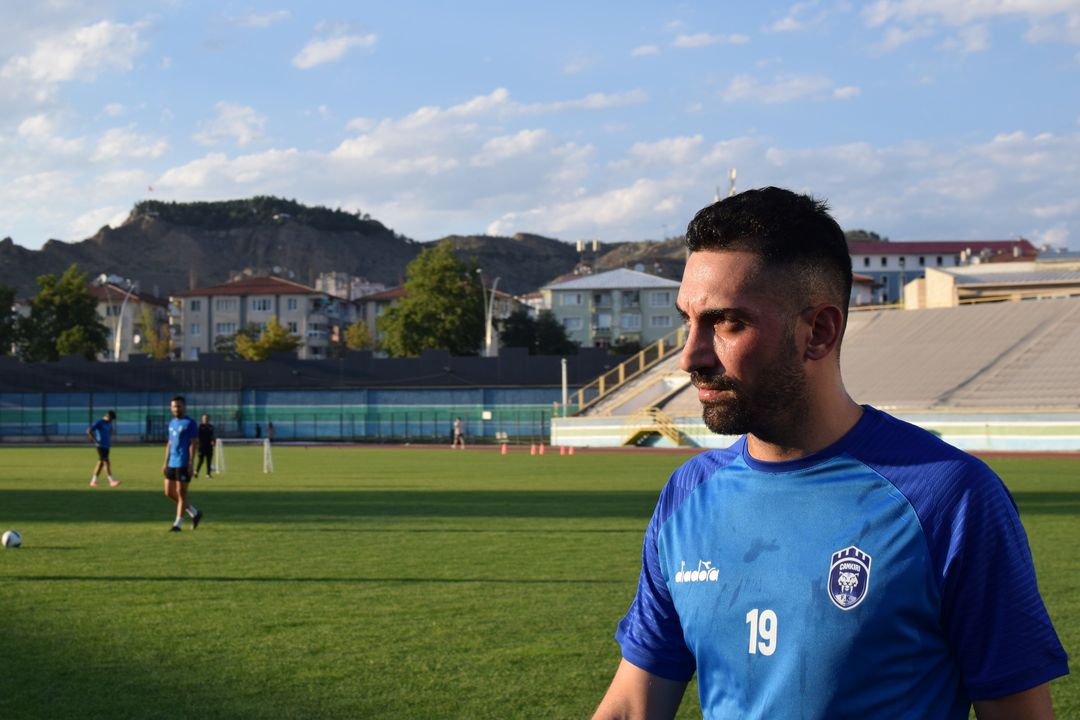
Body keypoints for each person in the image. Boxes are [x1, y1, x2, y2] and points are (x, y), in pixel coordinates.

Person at [593, 187, 1068, 720]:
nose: (690, 356)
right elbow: (633, 706)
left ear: (819, 331)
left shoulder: (950, 497)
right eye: (689, 321)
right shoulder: (687, 495)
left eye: (728, 323)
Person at [163, 396, 204, 532]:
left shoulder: (190, 423)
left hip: (183, 462)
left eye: (179, 406)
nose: (176, 409)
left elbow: (193, 443)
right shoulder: (171, 423)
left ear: (184, 407)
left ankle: (177, 524)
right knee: (168, 492)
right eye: (174, 406)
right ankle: (194, 513)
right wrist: (165, 461)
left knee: (182, 493)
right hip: (172, 462)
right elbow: (169, 443)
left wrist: (191, 463)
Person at [86, 410, 120, 487]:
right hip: (100, 446)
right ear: (108, 416)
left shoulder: (109, 423)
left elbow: (110, 430)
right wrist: (95, 441)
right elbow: (89, 431)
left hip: (106, 445)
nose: (112, 421)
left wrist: (108, 438)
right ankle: (111, 481)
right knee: (106, 462)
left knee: (100, 464)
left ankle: (93, 481)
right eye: (111, 419)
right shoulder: (99, 422)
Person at [194, 414, 215, 479]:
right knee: (201, 460)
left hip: (209, 446)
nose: (205, 419)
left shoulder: (211, 427)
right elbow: (196, 436)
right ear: (202, 419)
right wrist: (197, 444)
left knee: (209, 460)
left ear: (208, 419)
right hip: (201, 446)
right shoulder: (200, 426)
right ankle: (196, 472)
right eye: (204, 418)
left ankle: (208, 474)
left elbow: (212, 436)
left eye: (207, 418)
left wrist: (213, 441)